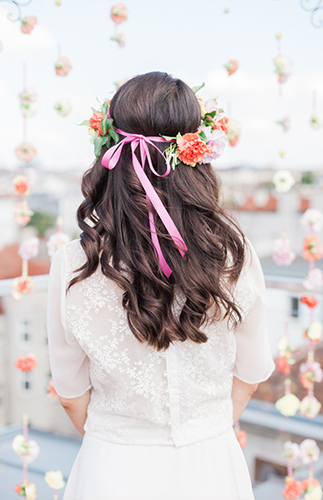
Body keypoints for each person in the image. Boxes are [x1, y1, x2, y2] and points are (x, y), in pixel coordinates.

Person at [47, 71, 275, 500]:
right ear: (196, 151)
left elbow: (70, 394)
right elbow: (252, 369)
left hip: (111, 468)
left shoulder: (73, 262)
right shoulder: (233, 250)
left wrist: (117, 438)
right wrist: (206, 427)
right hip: (210, 465)